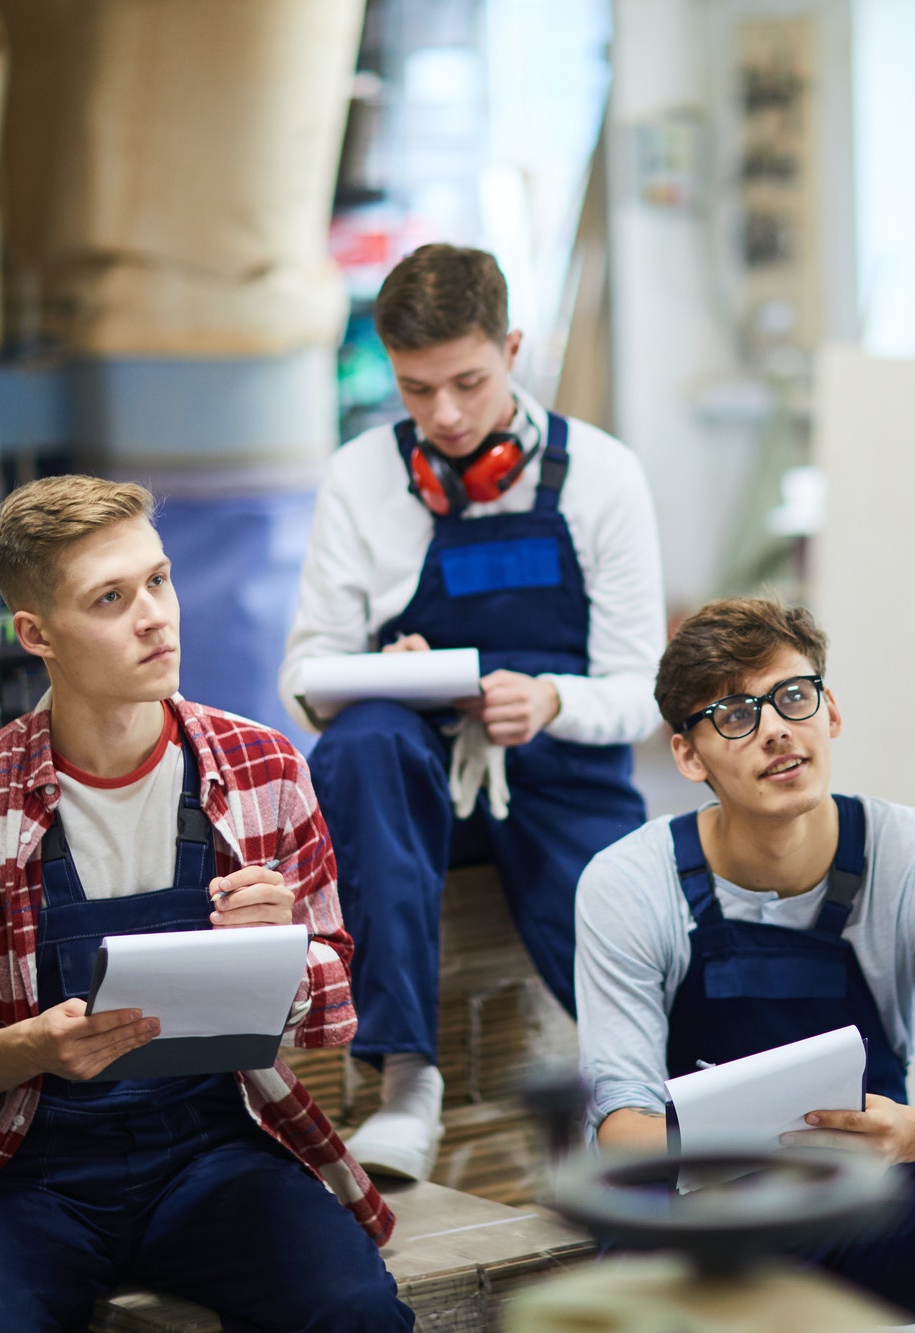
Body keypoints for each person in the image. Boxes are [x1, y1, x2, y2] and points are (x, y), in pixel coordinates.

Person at [0, 476, 411, 1332]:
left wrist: (283, 952)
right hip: (30, 1174)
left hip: (216, 1152)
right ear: (36, 634)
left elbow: (334, 1000)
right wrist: (25, 1048)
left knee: (355, 1311)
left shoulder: (264, 770)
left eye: (158, 580)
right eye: (111, 598)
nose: (154, 616)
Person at [574, 597, 915, 1333]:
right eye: (734, 714)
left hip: (866, 1205)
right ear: (687, 755)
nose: (777, 729)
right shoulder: (629, 882)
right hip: (702, 1223)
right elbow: (623, 1130)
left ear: (831, 711)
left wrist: (909, 1134)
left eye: (792, 696)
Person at [280, 243, 664, 1181]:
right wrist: (377, 672)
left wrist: (552, 699)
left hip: (559, 774)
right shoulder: (361, 479)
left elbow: (641, 691)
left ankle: (646, 1103)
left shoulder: (603, 478)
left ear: (515, 349)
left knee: (643, 968)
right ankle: (407, 1080)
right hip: (410, 791)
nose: (444, 416)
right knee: (365, 742)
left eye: (468, 382)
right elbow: (304, 674)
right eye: (417, 390)